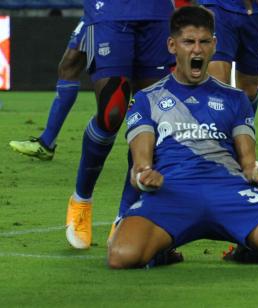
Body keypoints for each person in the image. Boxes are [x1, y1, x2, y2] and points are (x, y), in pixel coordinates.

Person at [108, 6, 258, 269]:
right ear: (172, 45)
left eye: (204, 42)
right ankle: (163, 252)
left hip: (230, 191)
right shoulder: (146, 100)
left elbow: (247, 163)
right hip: (173, 193)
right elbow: (139, 165)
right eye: (188, 42)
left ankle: (250, 251)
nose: (197, 50)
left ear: (214, 45)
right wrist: (143, 176)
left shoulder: (235, 99)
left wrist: (257, 172)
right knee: (122, 256)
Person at [64, 0, 176, 250]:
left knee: (152, 116)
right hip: (109, 11)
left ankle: (126, 214)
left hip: (157, 13)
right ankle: (81, 200)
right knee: (111, 112)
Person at [9, 17, 87, 161]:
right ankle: (47, 142)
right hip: (106, 12)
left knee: (69, 68)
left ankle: (47, 143)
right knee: (69, 67)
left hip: (105, 12)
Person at [198, 0, 258, 113]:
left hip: (257, 12)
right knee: (219, 83)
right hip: (218, 8)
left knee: (249, 89)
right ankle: (221, 130)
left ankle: (243, 129)